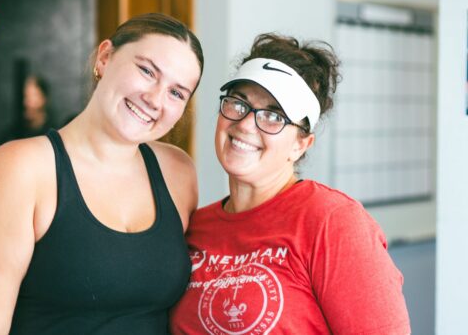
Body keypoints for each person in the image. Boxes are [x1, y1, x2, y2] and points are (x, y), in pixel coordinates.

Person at [0, 13, 203, 335]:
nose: (155, 99)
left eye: (177, 93)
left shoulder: (178, 172)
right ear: (105, 58)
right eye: (146, 71)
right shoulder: (21, 168)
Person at [170, 33, 411, 334]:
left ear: (301, 143)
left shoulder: (332, 222)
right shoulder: (195, 225)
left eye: (273, 116)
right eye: (238, 103)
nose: (245, 124)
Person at [1, 74, 54, 143]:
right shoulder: (13, 134)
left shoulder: (52, 135)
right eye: (25, 96)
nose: (26, 103)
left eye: (31, 97)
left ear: (43, 99)